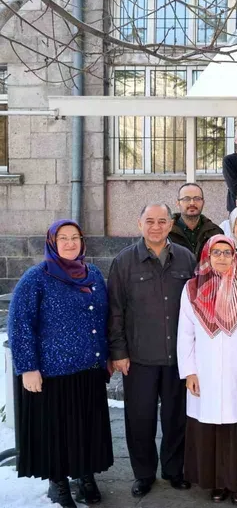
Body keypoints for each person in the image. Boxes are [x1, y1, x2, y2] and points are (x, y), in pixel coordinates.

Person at [8, 220, 113, 508]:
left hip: (88, 369)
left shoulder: (93, 274)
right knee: (56, 431)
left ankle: (85, 474)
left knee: (85, 429)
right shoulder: (36, 278)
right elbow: (20, 324)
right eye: (63, 238)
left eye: (74, 237)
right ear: (52, 243)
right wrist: (28, 367)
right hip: (52, 372)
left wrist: (105, 355)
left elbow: (102, 317)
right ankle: (59, 483)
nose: (69, 243)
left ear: (82, 241)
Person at [107, 204, 197, 498]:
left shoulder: (186, 258)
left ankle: (173, 470)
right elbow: (115, 310)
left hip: (177, 358)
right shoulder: (124, 261)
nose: (156, 227)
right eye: (150, 221)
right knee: (140, 420)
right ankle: (144, 474)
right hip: (139, 358)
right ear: (139, 224)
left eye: (161, 221)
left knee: (177, 419)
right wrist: (118, 351)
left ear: (171, 225)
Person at [178, 235, 237, 504]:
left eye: (227, 252)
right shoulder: (192, 288)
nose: (221, 257)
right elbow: (185, 333)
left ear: (234, 256)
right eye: (215, 252)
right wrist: (189, 372)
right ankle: (216, 481)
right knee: (210, 427)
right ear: (207, 255)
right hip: (204, 371)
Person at [169, 183, 224, 259]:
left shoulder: (215, 232)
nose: (192, 203)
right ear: (178, 203)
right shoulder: (167, 232)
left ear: (203, 202)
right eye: (186, 199)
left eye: (197, 199)